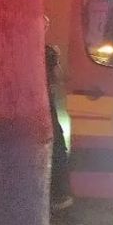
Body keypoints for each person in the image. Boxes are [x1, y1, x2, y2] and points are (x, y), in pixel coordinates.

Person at [45, 16, 73, 211]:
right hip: (43, 105)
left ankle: (58, 194)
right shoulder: (46, 52)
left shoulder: (47, 52)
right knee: (57, 149)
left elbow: (58, 79)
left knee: (57, 148)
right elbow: (58, 78)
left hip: (46, 103)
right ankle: (58, 195)